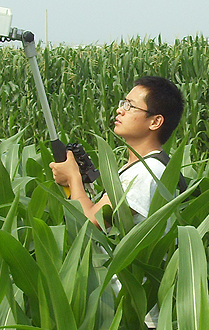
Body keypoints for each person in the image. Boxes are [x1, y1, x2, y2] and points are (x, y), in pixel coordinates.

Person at [49, 76, 185, 228]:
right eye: (123, 103)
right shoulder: (146, 166)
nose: (120, 110)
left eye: (130, 106)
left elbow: (89, 224)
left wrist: (72, 178)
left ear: (155, 122)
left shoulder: (146, 173)